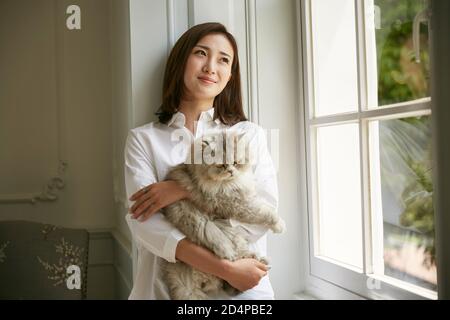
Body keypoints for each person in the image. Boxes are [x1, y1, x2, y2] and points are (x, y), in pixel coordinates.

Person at [124, 22, 279, 300]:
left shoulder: (248, 135)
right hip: (163, 289)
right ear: (181, 61)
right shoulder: (143, 140)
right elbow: (144, 224)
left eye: (223, 60)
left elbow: (262, 210)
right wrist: (226, 268)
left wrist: (182, 188)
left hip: (242, 293)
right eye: (200, 53)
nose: (211, 67)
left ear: (230, 75)